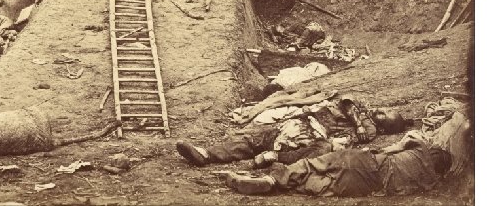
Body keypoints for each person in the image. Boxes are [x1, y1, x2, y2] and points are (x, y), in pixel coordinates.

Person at [176, 94, 411, 168]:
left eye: (385, 115)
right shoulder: (361, 109)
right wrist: (357, 122)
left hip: (312, 132)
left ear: (384, 127)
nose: (381, 110)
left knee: (312, 150)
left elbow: (350, 135)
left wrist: (358, 126)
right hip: (301, 120)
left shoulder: (370, 128)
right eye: (385, 109)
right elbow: (346, 102)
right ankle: (205, 154)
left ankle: (273, 158)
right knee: (255, 138)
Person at [224, 134, 452, 197]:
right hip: (367, 185)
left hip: (367, 161)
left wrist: (391, 149)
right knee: (322, 184)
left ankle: (271, 179)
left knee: (312, 164)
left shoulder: (421, 149)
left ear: (433, 153)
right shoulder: (429, 183)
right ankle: (279, 186)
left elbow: (404, 142)